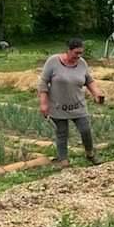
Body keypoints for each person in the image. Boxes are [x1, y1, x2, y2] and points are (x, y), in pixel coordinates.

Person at [38, 38, 104, 167]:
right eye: (76, 53)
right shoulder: (53, 61)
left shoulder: (82, 63)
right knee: (62, 133)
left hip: (78, 105)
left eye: (81, 53)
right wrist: (44, 103)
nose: (78, 56)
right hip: (58, 106)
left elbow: (89, 80)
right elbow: (43, 82)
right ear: (68, 51)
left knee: (85, 130)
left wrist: (96, 93)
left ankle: (90, 154)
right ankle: (64, 161)